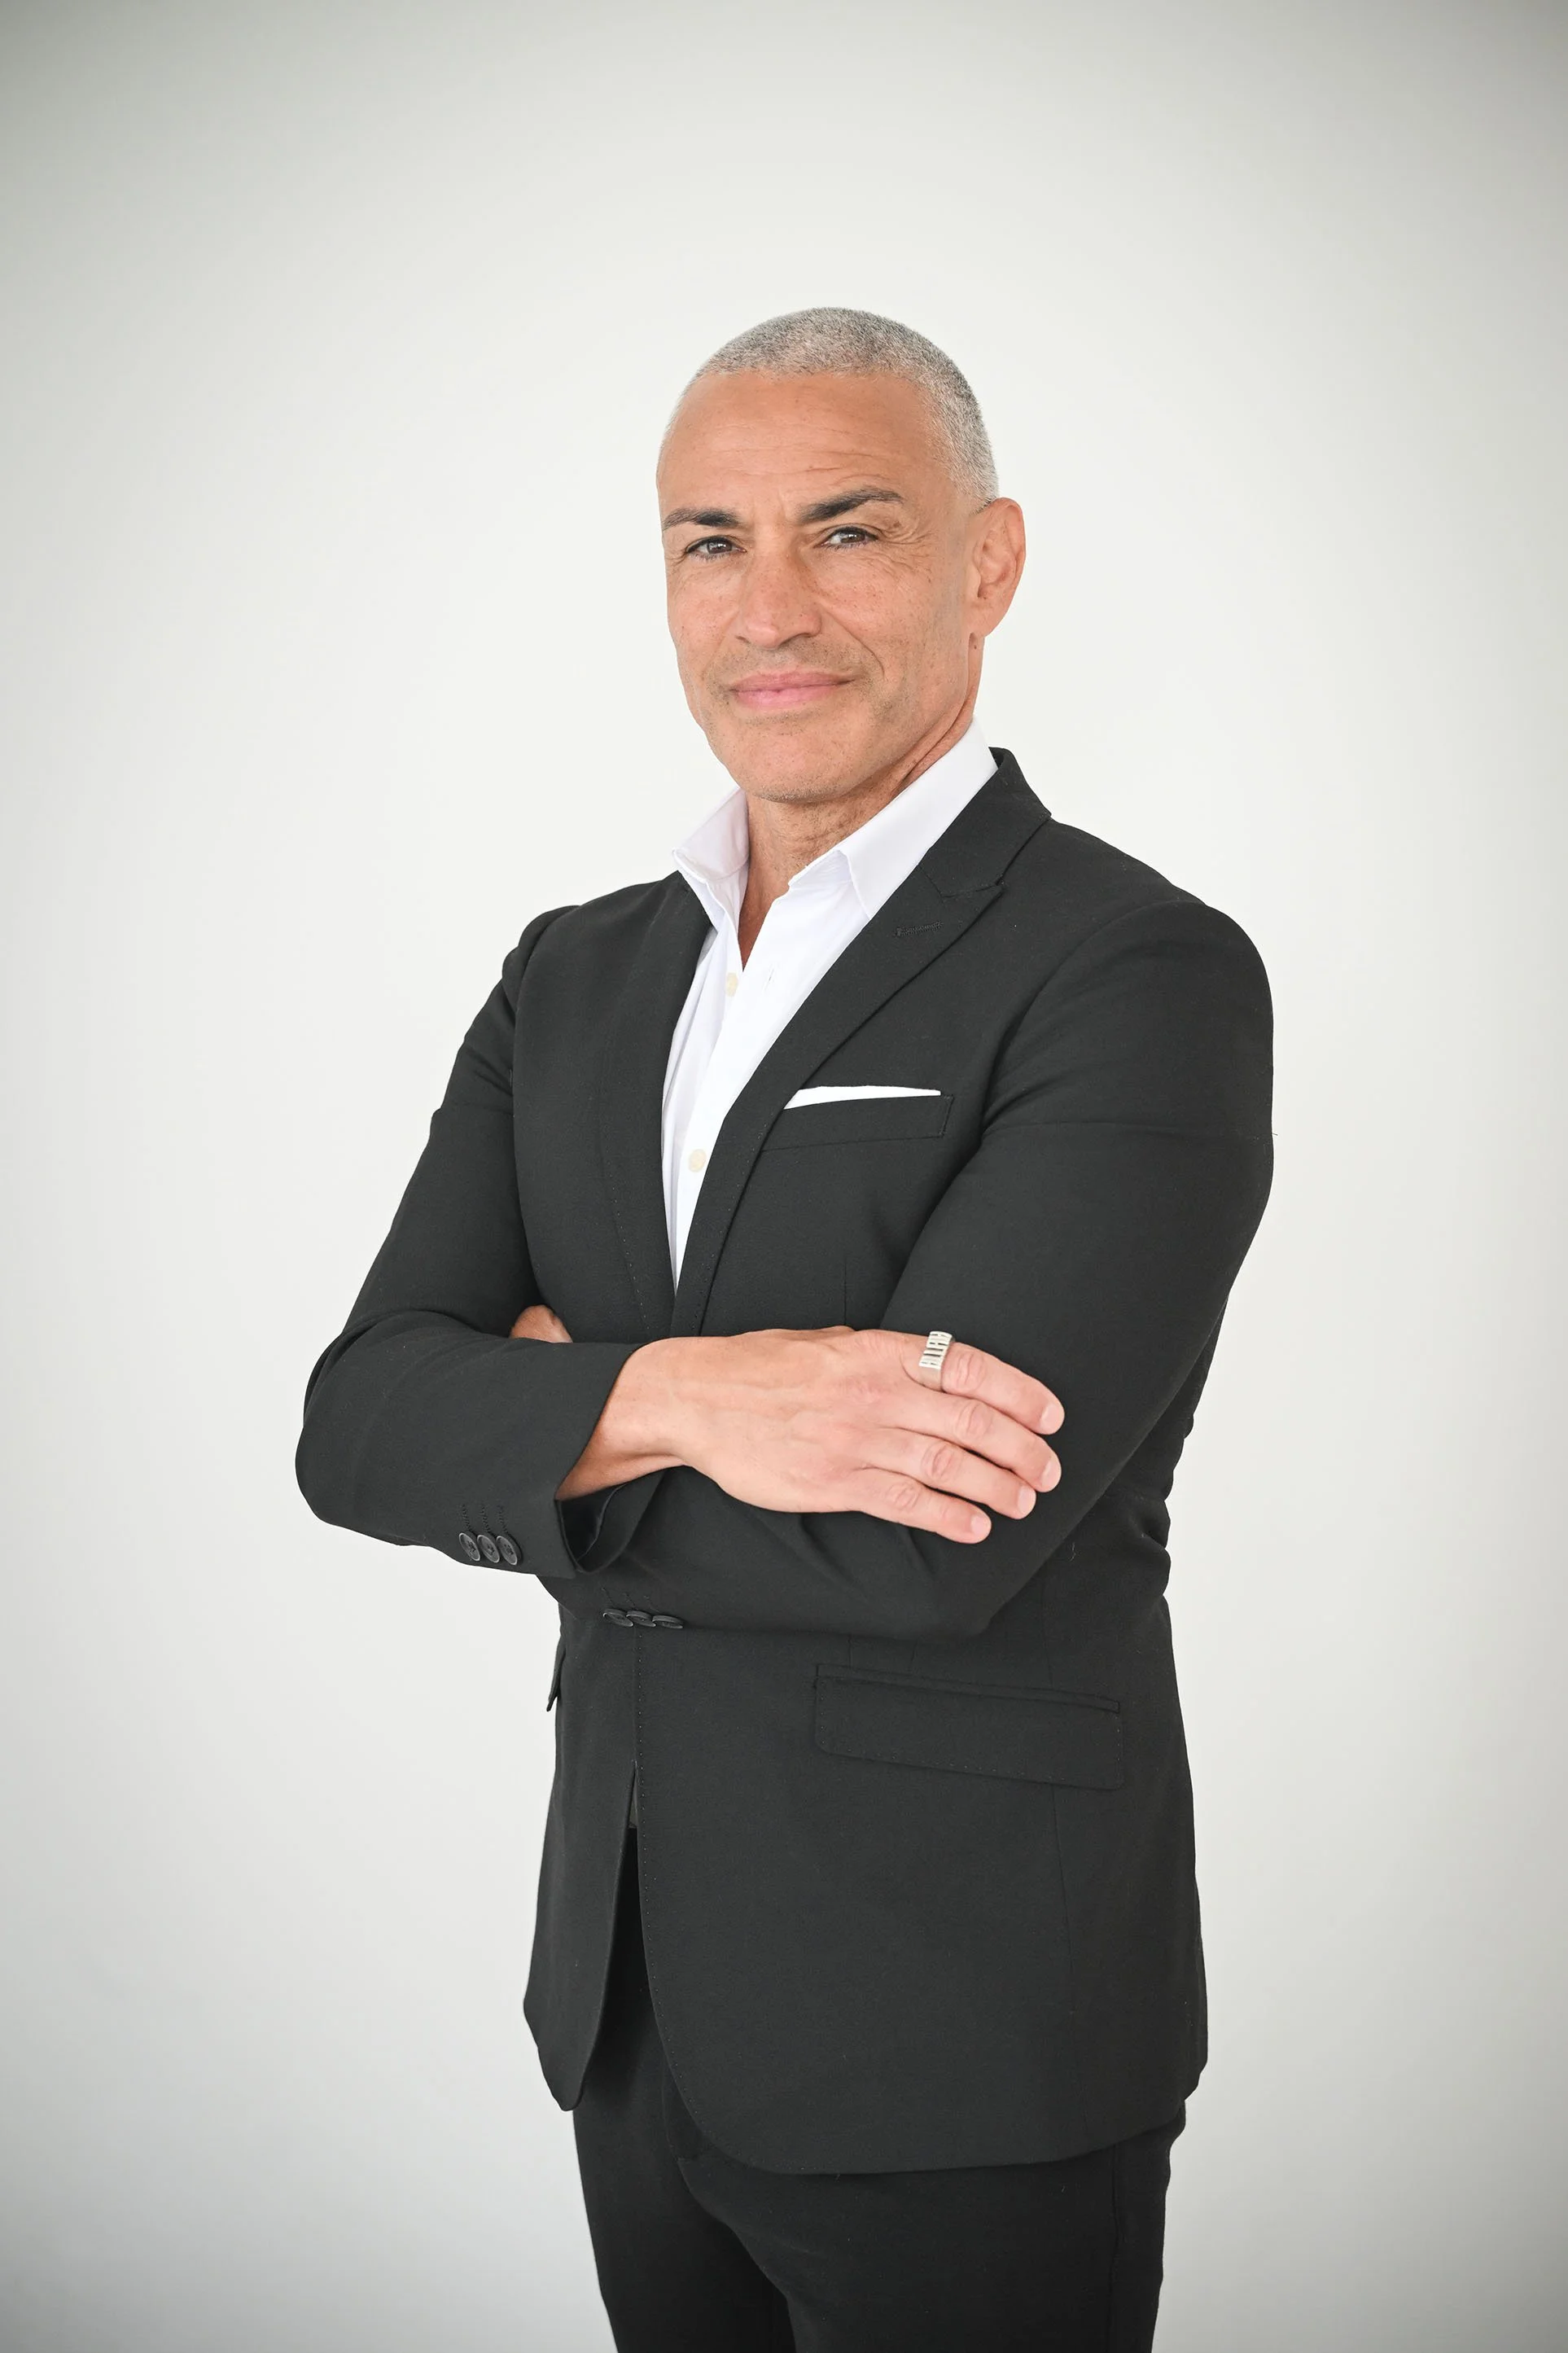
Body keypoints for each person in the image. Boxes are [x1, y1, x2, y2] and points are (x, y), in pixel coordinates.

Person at [296, 307, 1273, 2351]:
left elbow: (928, 1540)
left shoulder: (1133, 971)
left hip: (970, 2030)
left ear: (986, 562)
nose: (771, 607)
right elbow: (360, 1419)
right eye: (709, 541)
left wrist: (545, 1410)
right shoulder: (573, 976)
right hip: (634, 2003)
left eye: (848, 530)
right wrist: (693, 1395)